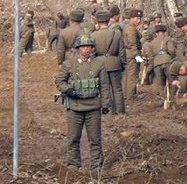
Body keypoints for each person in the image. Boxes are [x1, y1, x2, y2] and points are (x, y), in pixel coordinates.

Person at [55, 34, 111, 169]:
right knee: (73, 138)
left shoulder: (99, 64)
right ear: (78, 48)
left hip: (93, 107)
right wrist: (68, 89)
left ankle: (96, 166)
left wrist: (105, 104)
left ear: (92, 48)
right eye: (83, 46)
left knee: (95, 139)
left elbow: (104, 86)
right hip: (75, 107)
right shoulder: (69, 64)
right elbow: (59, 81)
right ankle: (74, 165)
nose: (86, 49)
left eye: (89, 46)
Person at [92, 10, 126, 115]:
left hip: (100, 64)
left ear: (97, 22)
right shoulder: (117, 34)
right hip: (115, 63)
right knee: (117, 89)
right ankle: (120, 111)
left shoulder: (93, 35)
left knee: (103, 88)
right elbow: (121, 51)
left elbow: (92, 53)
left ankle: (107, 110)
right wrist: (123, 63)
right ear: (108, 21)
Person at [143, 25, 175, 97]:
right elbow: (172, 51)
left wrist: (153, 63)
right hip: (167, 61)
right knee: (172, 81)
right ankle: (172, 98)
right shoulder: (168, 39)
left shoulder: (151, 43)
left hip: (156, 63)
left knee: (160, 84)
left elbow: (150, 55)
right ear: (165, 32)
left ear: (156, 33)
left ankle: (162, 99)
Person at [122, 9, 143, 99]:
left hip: (129, 54)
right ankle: (131, 95)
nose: (139, 20)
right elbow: (133, 44)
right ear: (131, 18)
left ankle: (128, 94)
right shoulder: (131, 29)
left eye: (140, 18)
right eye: (137, 18)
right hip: (132, 55)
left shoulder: (129, 27)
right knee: (133, 75)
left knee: (129, 74)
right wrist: (137, 56)